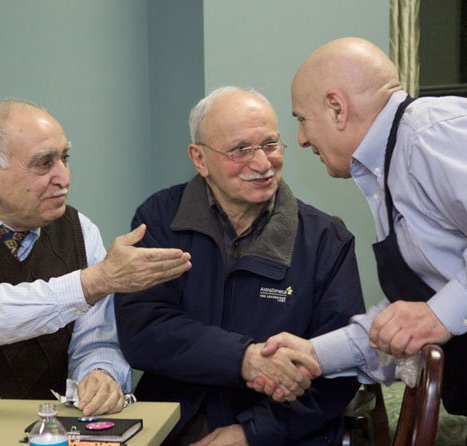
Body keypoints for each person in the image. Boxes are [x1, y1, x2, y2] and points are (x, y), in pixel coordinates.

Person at [251, 37, 467, 445]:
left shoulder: (431, 133)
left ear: (336, 107)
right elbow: (410, 322)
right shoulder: (389, 169)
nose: (299, 139)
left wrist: (440, 315)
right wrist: (314, 355)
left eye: (301, 119)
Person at [0, 99, 192, 415]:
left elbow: (96, 339)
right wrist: (93, 282)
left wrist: (100, 373)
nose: (64, 177)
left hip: (36, 425)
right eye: (44, 163)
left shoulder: (80, 230)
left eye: (65, 158)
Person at [114, 86, 366, 445]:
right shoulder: (159, 220)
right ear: (199, 159)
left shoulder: (326, 240)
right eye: (241, 150)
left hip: (283, 431)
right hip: (174, 424)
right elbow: (142, 330)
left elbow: (339, 366)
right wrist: (243, 358)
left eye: (270, 145)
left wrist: (251, 433)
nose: (262, 164)